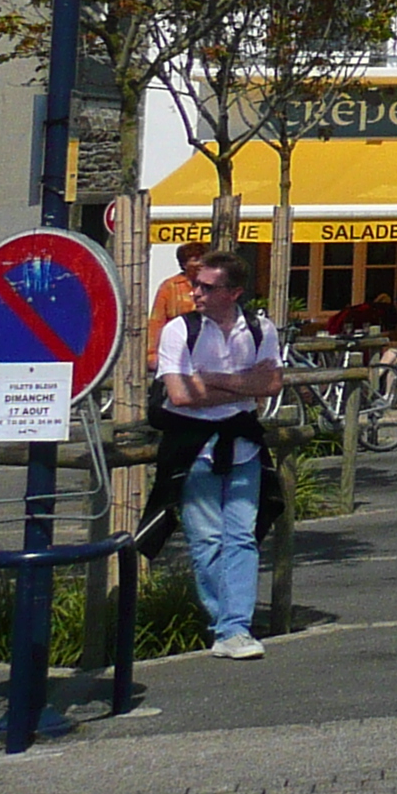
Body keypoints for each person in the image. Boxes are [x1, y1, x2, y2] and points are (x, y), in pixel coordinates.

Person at [153, 249, 281, 660]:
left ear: (234, 292)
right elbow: (179, 394)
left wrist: (213, 379)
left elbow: (273, 384)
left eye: (207, 286)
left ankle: (234, 627)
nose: (197, 293)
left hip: (242, 442)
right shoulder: (179, 330)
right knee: (207, 539)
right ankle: (225, 624)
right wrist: (245, 383)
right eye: (195, 284)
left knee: (242, 536)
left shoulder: (260, 329)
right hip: (192, 445)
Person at [144, 240, 210, 355]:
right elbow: (157, 321)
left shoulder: (212, 286)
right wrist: (152, 353)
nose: (201, 264)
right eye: (195, 260)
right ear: (184, 264)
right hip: (176, 350)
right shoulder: (170, 287)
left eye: (203, 260)